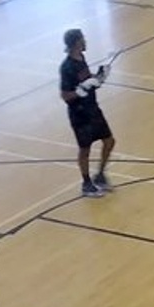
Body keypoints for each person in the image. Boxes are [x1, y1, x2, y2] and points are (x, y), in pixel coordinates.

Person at [59, 30, 116, 198]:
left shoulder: (81, 59)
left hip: (92, 109)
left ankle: (100, 176)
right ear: (76, 42)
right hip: (79, 114)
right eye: (83, 39)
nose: (85, 41)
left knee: (109, 141)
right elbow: (65, 95)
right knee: (85, 149)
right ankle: (86, 184)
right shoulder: (66, 67)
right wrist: (80, 90)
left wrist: (99, 77)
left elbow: (86, 79)